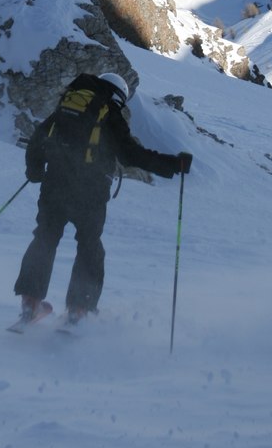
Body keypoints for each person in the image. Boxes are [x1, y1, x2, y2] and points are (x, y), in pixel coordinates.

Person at [14, 71, 192, 325]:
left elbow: (38, 139)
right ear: (118, 96)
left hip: (54, 185)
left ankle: (30, 305)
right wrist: (173, 164)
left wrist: (35, 170)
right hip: (90, 192)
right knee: (89, 247)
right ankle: (79, 310)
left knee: (45, 238)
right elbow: (130, 155)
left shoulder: (69, 104)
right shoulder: (110, 113)